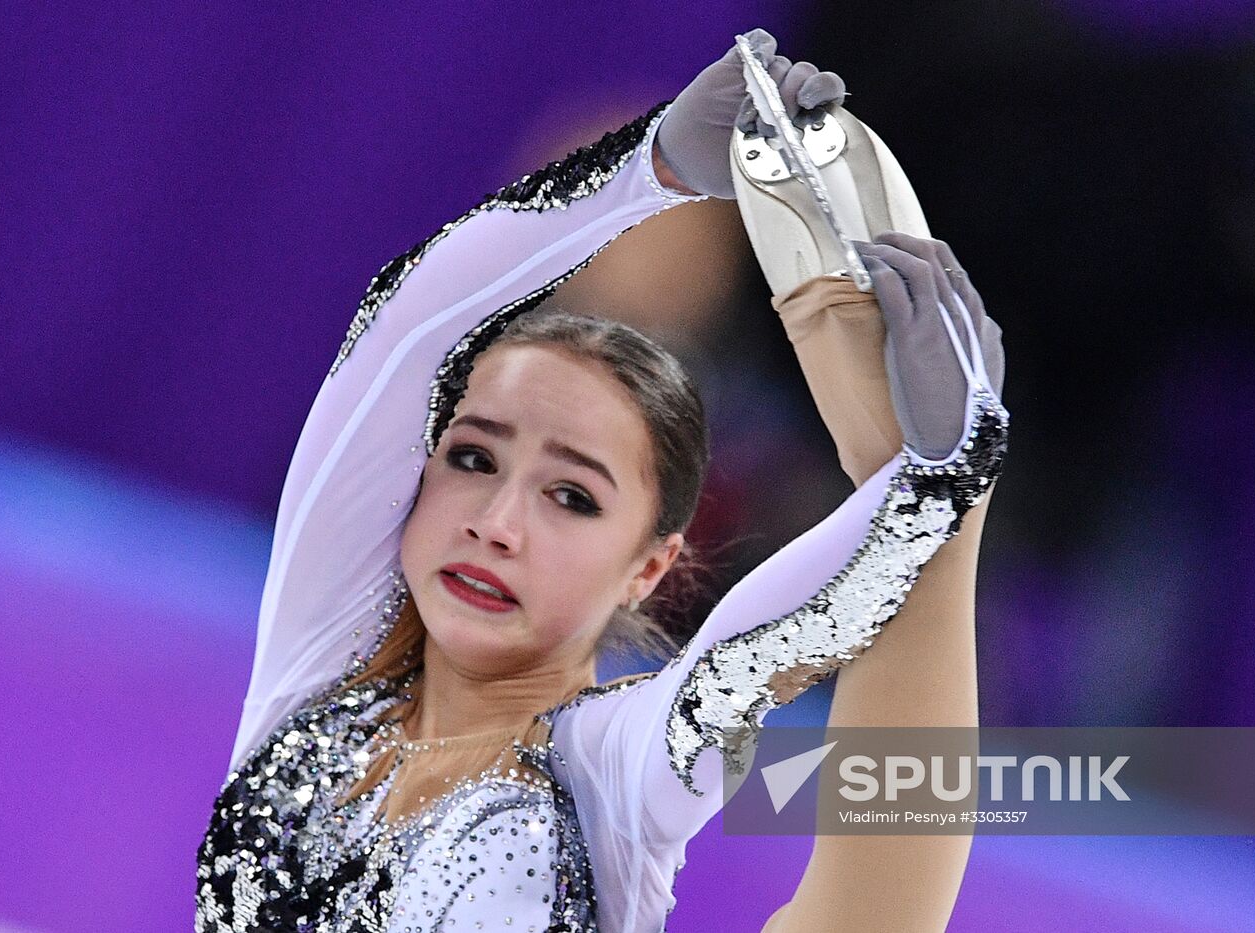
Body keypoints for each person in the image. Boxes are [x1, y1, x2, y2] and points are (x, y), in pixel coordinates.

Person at [195, 28, 1007, 933]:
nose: (497, 522)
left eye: (572, 497)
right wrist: (646, 166)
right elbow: (402, 334)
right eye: (472, 459)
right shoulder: (320, 662)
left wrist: (939, 486)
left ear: (649, 566)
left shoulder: (608, 772)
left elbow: (759, 653)